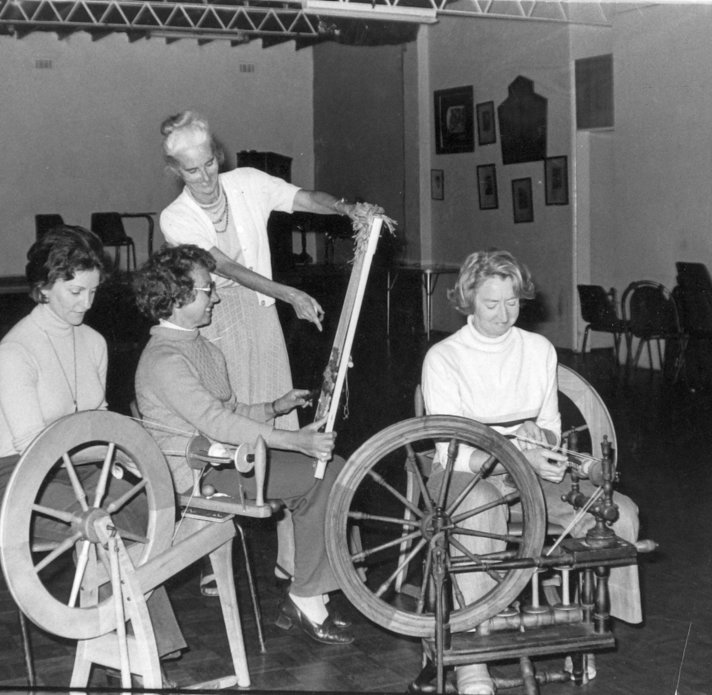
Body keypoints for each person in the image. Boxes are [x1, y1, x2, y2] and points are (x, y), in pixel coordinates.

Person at [157, 109, 390, 587]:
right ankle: (209, 553)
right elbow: (223, 268)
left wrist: (348, 209)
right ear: (175, 171)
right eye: (190, 169)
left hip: (260, 321)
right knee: (226, 433)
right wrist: (290, 293)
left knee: (280, 434)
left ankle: (291, 556)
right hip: (215, 324)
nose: (203, 178)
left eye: (208, 165)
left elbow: (302, 197)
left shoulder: (245, 181)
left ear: (217, 157)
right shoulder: (175, 217)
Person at [420, 249, 642, 695]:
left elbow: (551, 430)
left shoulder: (538, 349)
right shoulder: (444, 357)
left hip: (530, 467)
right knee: (479, 507)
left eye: (512, 302)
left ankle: (581, 633)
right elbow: (453, 448)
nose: (504, 315)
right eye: (491, 304)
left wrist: (539, 436)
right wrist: (515, 457)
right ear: (467, 300)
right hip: (468, 471)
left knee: (618, 511)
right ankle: (473, 660)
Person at [131, 244, 354, 645]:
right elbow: (215, 422)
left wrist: (275, 406)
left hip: (225, 461)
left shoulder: (202, 346)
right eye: (206, 290)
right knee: (327, 473)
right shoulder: (164, 359)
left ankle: (310, 592)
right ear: (177, 297)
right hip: (195, 476)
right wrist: (294, 440)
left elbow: (230, 412)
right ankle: (308, 594)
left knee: (329, 470)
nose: (215, 295)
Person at [0, 225, 185, 663]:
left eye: (93, 292)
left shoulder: (94, 342)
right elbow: (33, 445)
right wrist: (124, 448)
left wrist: (134, 454)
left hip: (85, 474)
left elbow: (97, 421)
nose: (86, 303)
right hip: (23, 483)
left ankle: (139, 651)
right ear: (43, 287)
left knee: (155, 514)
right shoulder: (15, 351)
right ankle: (144, 654)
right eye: (75, 291)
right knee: (105, 525)